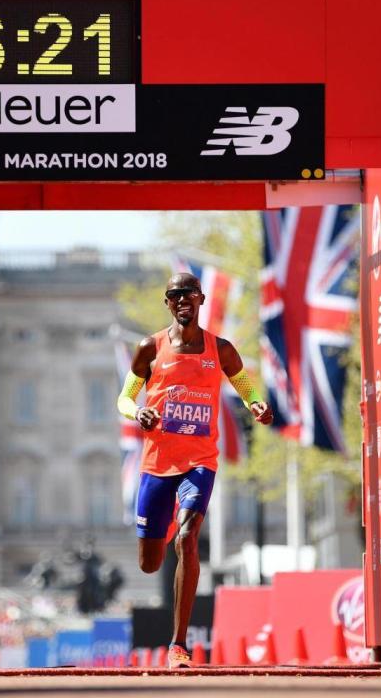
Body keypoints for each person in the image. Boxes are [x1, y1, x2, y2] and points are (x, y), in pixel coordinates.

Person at [116, 272, 272, 668]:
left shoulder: (220, 349)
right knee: (150, 562)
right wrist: (139, 411)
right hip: (157, 465)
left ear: (201, 300)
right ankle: (164, 525)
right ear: (167, 302)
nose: (183, 299)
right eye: (175, 295)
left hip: (199, 461)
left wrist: (255, 404)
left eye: (189, 294)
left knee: (188, 538)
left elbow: (245, 385)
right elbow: (125, 397)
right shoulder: (149, 348)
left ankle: (178, 645)